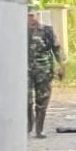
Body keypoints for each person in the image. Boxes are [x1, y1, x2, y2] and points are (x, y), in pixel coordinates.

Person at [26, 9, 62, 140]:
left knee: (42, 101)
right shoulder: (18, 31)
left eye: (31, 15)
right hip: (24, 71)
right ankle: (28, 126)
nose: (30, 18)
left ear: (37, 16)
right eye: (27, 16)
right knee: (26, 100)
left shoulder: (47, 30)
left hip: (43, 70)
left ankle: (39, 129)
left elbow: (56, 49)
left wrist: (60, 66)